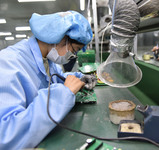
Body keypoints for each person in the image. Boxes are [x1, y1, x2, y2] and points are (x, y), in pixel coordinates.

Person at [0, 11, 96, 149]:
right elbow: (6, 134)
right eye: (74, 50)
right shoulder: (8, 63)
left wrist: (79, 78)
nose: (73, 56)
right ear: (61, 38)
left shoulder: (48, 61)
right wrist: (63, 94)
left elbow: (56, 80)